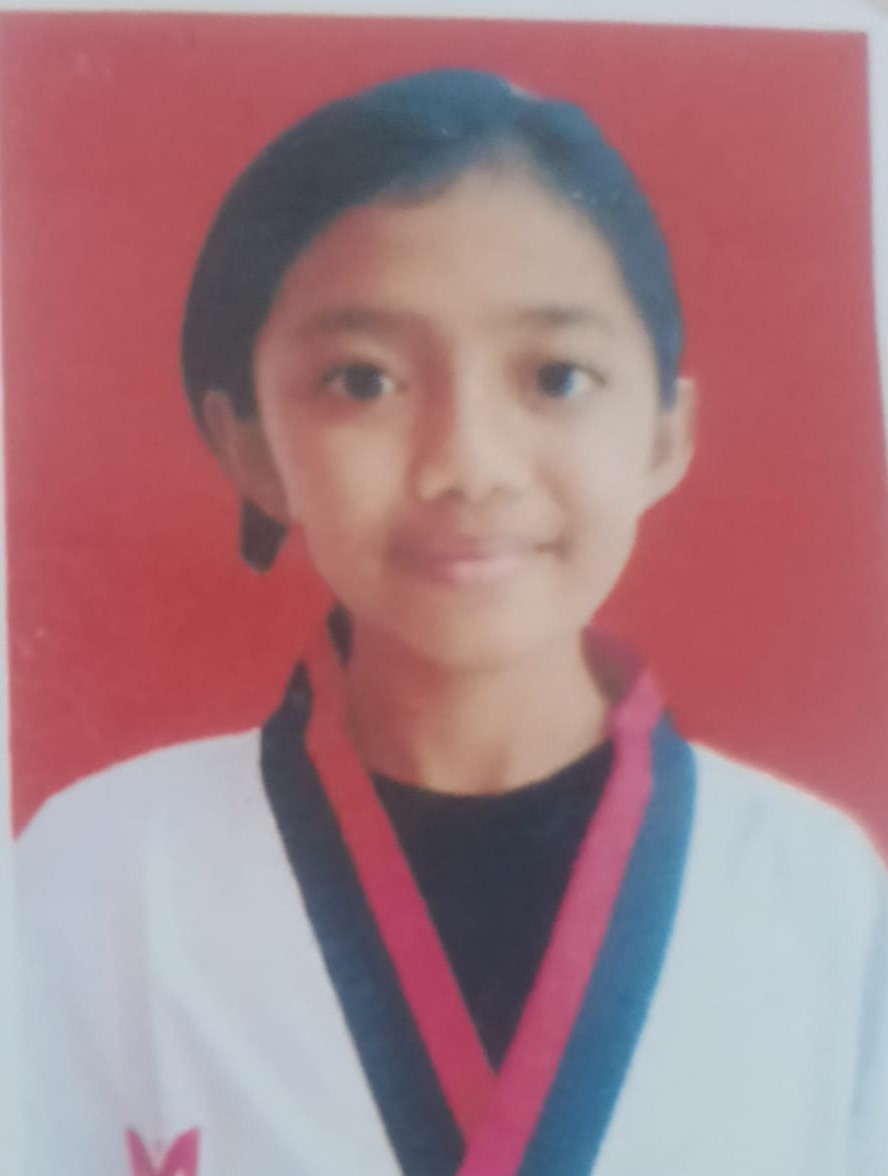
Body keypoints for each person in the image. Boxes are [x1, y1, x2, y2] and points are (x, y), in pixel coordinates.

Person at [16, 69, 888, 1176]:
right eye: (362, 381)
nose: (468, 466)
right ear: (249, 446)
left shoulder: (818, 891)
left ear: (666, 435)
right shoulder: (99, 875)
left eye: (557, 376)